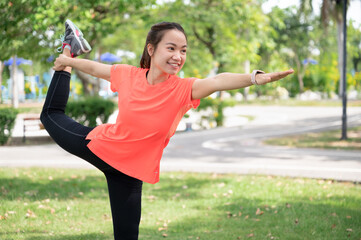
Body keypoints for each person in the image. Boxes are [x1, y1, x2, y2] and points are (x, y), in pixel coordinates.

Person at [41, 19, 294, 240]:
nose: (178, 56)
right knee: (51, 115)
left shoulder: (183, 89)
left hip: (130, 173)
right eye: (171, 48)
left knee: (127, 236)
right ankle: (68, 48)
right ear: (151, 49)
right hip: (101, 147)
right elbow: (96, 69)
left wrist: (254, 78)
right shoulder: (129, 75)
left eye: (183, 50)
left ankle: (68, 50)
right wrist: (66, 61)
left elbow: (218, 81)